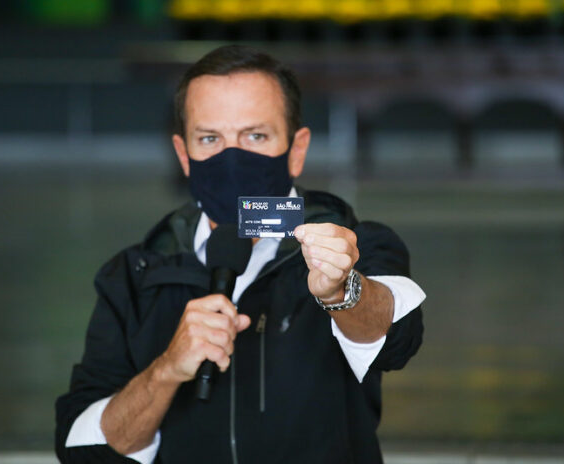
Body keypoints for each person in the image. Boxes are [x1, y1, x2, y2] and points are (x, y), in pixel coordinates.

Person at [55, 44, 425, 464]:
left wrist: (343, 292)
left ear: (297, 150)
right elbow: (84, 448)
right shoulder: (133, 276)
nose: (232, 159)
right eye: (209, 138)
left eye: (255, 136)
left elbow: (398, 338)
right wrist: (166, 370)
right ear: (184, 156)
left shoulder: (355, 245)